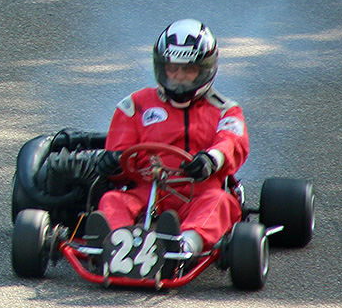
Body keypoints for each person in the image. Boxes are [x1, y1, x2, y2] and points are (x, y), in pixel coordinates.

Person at [76, 19, 250, 273]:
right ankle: (117, 243)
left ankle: (182, 248)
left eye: (188, 70)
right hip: (147, 191)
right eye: (172, 69)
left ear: (204, 69)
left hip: (198, 191)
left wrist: (211, 159)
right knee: (112, 199)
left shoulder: (225, 110)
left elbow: (231, 142)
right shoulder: (135, 105)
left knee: (219, 203)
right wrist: (112, 161)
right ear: (161, 67)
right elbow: (122, 153)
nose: (179, 77)